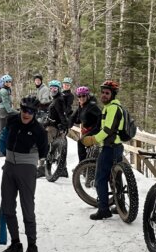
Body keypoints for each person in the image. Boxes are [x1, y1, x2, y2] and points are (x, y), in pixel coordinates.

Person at [0, 95, 49, 252]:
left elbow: (44, 151)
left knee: (27, 207)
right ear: (20, 108)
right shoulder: (12, 120)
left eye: (31, 111)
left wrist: (29, 161)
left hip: (27, 168)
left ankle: (32, 246)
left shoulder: (39, 130)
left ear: (35, 112)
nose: (27, 114)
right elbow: (4, 136)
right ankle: (15, 244)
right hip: (9, 165)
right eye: (25, 110)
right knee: (7, 206)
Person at [81, 80, 126, 220]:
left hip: (109, 148)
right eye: (103, 92)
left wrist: (93, 139)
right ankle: (120, 205)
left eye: (107, 93)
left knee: (100, 178)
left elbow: (107, 130)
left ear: (113, 94)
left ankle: (103, 209)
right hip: (116, 146)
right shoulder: (115, 107)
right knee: (115, 177)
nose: (104, 95)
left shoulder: (112, 108)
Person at [46, 80, 71, 178]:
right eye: (51, 88)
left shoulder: (59, 100)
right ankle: (63, 170)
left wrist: (64, 126)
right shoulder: (55, 98)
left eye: (55, 88)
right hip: (53, 124)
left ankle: (43, 165)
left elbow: (62, 114)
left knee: (45, 139)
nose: (53, 90)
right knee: (60, 147)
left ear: (59, 89)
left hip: (55, 126)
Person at [70, 86, 101, 162]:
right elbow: (74, 117)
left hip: (95, 130)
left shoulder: (91, 106)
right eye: (79, 96)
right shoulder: (82, 106)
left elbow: (101, 116)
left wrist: (97, 128)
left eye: (83, 95)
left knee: (80, 142)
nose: (81, 98)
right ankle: (87, 164)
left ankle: (82, 164)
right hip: (88, 130)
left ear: (87, 96)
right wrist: (68, 124)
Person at [0, 74, 15, 157]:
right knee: (3, 131)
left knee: (3, 130)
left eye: (10, 81)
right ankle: (1, 151)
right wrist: (11, 111)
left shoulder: (7, 89)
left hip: (3, 110)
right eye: (7, 81)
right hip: (2, 111)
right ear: (3, 82)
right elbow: (6, 102)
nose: (9, 83)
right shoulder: (3, 91)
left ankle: (3, 150)